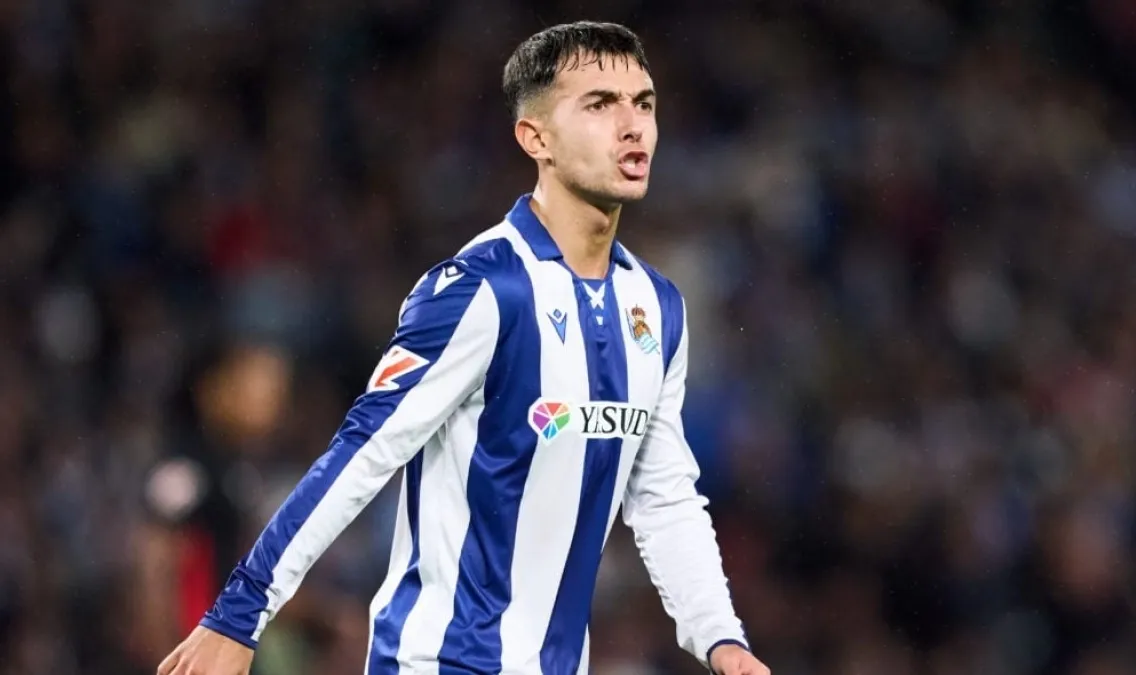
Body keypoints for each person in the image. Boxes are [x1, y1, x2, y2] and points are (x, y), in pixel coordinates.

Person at [157, 20, 770, 675]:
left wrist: (721, 638)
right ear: (535, 137)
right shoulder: (482, 288)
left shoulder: (657, 307)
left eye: (643, 103)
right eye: (599, 104)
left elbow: (663, 495)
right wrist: (241, 611)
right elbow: (365, 451)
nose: (632, 126)